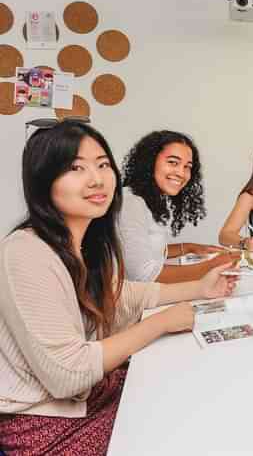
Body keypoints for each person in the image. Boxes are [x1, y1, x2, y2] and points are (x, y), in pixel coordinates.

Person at [0, 121, 238, 455]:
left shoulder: (83, 242)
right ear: (43, 181)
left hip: (87, 396)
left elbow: (122, 293)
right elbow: (67, 374)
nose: (96, 179)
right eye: (75, 168)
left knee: (198, 389)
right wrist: (162, 322)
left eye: (102, 165)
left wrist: (200, 289)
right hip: (45, 420)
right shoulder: (25, 250)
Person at [118, 130, 238, 283]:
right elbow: (143, 275)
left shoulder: (154, 198)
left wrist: (188, 247)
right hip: (132, 303)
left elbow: (146, 251)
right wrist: (211, 266)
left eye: (187, 166)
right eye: (173, 162)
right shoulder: (131, 202)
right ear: (150, 161)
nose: (181, 173)